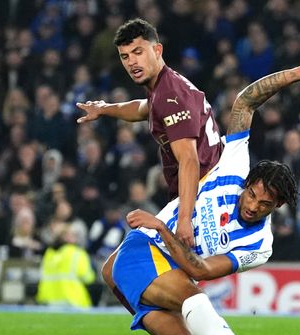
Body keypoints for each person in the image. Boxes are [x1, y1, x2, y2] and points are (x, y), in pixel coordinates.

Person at [58, 63, 300, 335]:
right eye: (252, 195)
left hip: (166, 269)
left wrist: (161, 229)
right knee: (190, 298)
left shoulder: (260, 246)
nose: (254, 206)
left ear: (277, 206)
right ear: (248, 183)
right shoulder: (233, 165)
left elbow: (202, 271)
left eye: (265, 205)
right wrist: (295, 75)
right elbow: (246, 102)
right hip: (144, 250)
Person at [76, 18, 223, 248]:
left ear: (157, 50)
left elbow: (189, 160)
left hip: (200, 201)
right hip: (197, 196)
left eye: (138, 52)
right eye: (125, 56)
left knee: (127, 268)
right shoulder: (163, 87)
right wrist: (104, 109)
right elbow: (142, 109)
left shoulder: (170, 95)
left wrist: (185, 219)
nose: (132, 62)